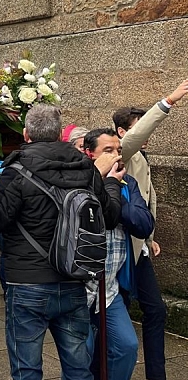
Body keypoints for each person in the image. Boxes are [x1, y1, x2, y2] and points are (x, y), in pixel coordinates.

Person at [0, 104, 124, 380]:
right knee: (79, 370)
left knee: (27, 371)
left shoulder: (17, 172)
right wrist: (112, 184)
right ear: (58, 135)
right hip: (73, 280)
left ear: (26, 134)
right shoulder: (86, 170)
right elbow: (111, 216)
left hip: (28, 285)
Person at [112, 77, 188, 380]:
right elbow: (135, 137)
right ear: (122, 132)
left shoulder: (142, 157)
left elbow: (147, 198)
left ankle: (157, 374)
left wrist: (151, 238)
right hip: (122, 250)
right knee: (119, 313)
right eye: (138, 127)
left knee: (155, 310)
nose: (146, 134)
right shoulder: (121, 153)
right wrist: (168, 101)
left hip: (140, 247)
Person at [83, 128, 155, 380]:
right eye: (108, 151)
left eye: (118, 150)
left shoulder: (128, 185)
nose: (116, 156)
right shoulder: (78, 181)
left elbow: (144, 223)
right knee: (82, 355)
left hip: (110, 289)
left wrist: (112, 190)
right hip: (79, 289)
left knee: (126, 346)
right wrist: (99, 183)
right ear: (90, 154)